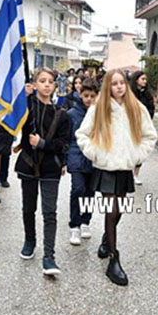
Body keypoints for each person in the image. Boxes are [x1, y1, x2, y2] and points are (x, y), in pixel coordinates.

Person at [76, 70, 157, 286]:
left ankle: (106, 240)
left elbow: (150, 136)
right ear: (107, 86)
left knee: (118, 211)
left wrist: (137, 156)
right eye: (114, 83)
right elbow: (82, 134)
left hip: (125, 167)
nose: (119, 87)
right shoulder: (98, 107)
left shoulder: (136, 107)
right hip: (106, 167)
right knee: (111, 211)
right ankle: (114, 258)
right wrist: (96, 153)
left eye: (122, 83)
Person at [15, 67, 71, 277]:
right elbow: (12, 118)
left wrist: (43, 143)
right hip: (28, 164)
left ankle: (49, 255)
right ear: (35, 84)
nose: (47, 85)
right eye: (42, 81)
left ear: (55, 86)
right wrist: (23, 97)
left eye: (50, 81)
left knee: (49, 212)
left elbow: (63, 144)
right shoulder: (26, 108)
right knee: (28, 207)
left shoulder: (62, 115)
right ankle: (29, 240)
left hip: (50, 168)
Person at [67, 78, 98, 245]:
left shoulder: (100, 114)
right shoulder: (72, 114)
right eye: (86, 96)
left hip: (94, 158)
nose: (89, 99)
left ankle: (86, 221)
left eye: (92, 96)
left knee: (90, 192)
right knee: (78, 189)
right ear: (80, 95)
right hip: (76, 157)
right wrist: (64, 160)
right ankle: (74, 224)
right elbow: (67, 138)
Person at [130, 70, 155, 185]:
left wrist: (147, 120)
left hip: (142, 126)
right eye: (142, 79)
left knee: (139, 150)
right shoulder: (130, 93)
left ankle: (136, 174)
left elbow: (151, 108)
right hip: (130, 125)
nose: (145, 81)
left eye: (145, 79)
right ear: (136, 80)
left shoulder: (147, 94)